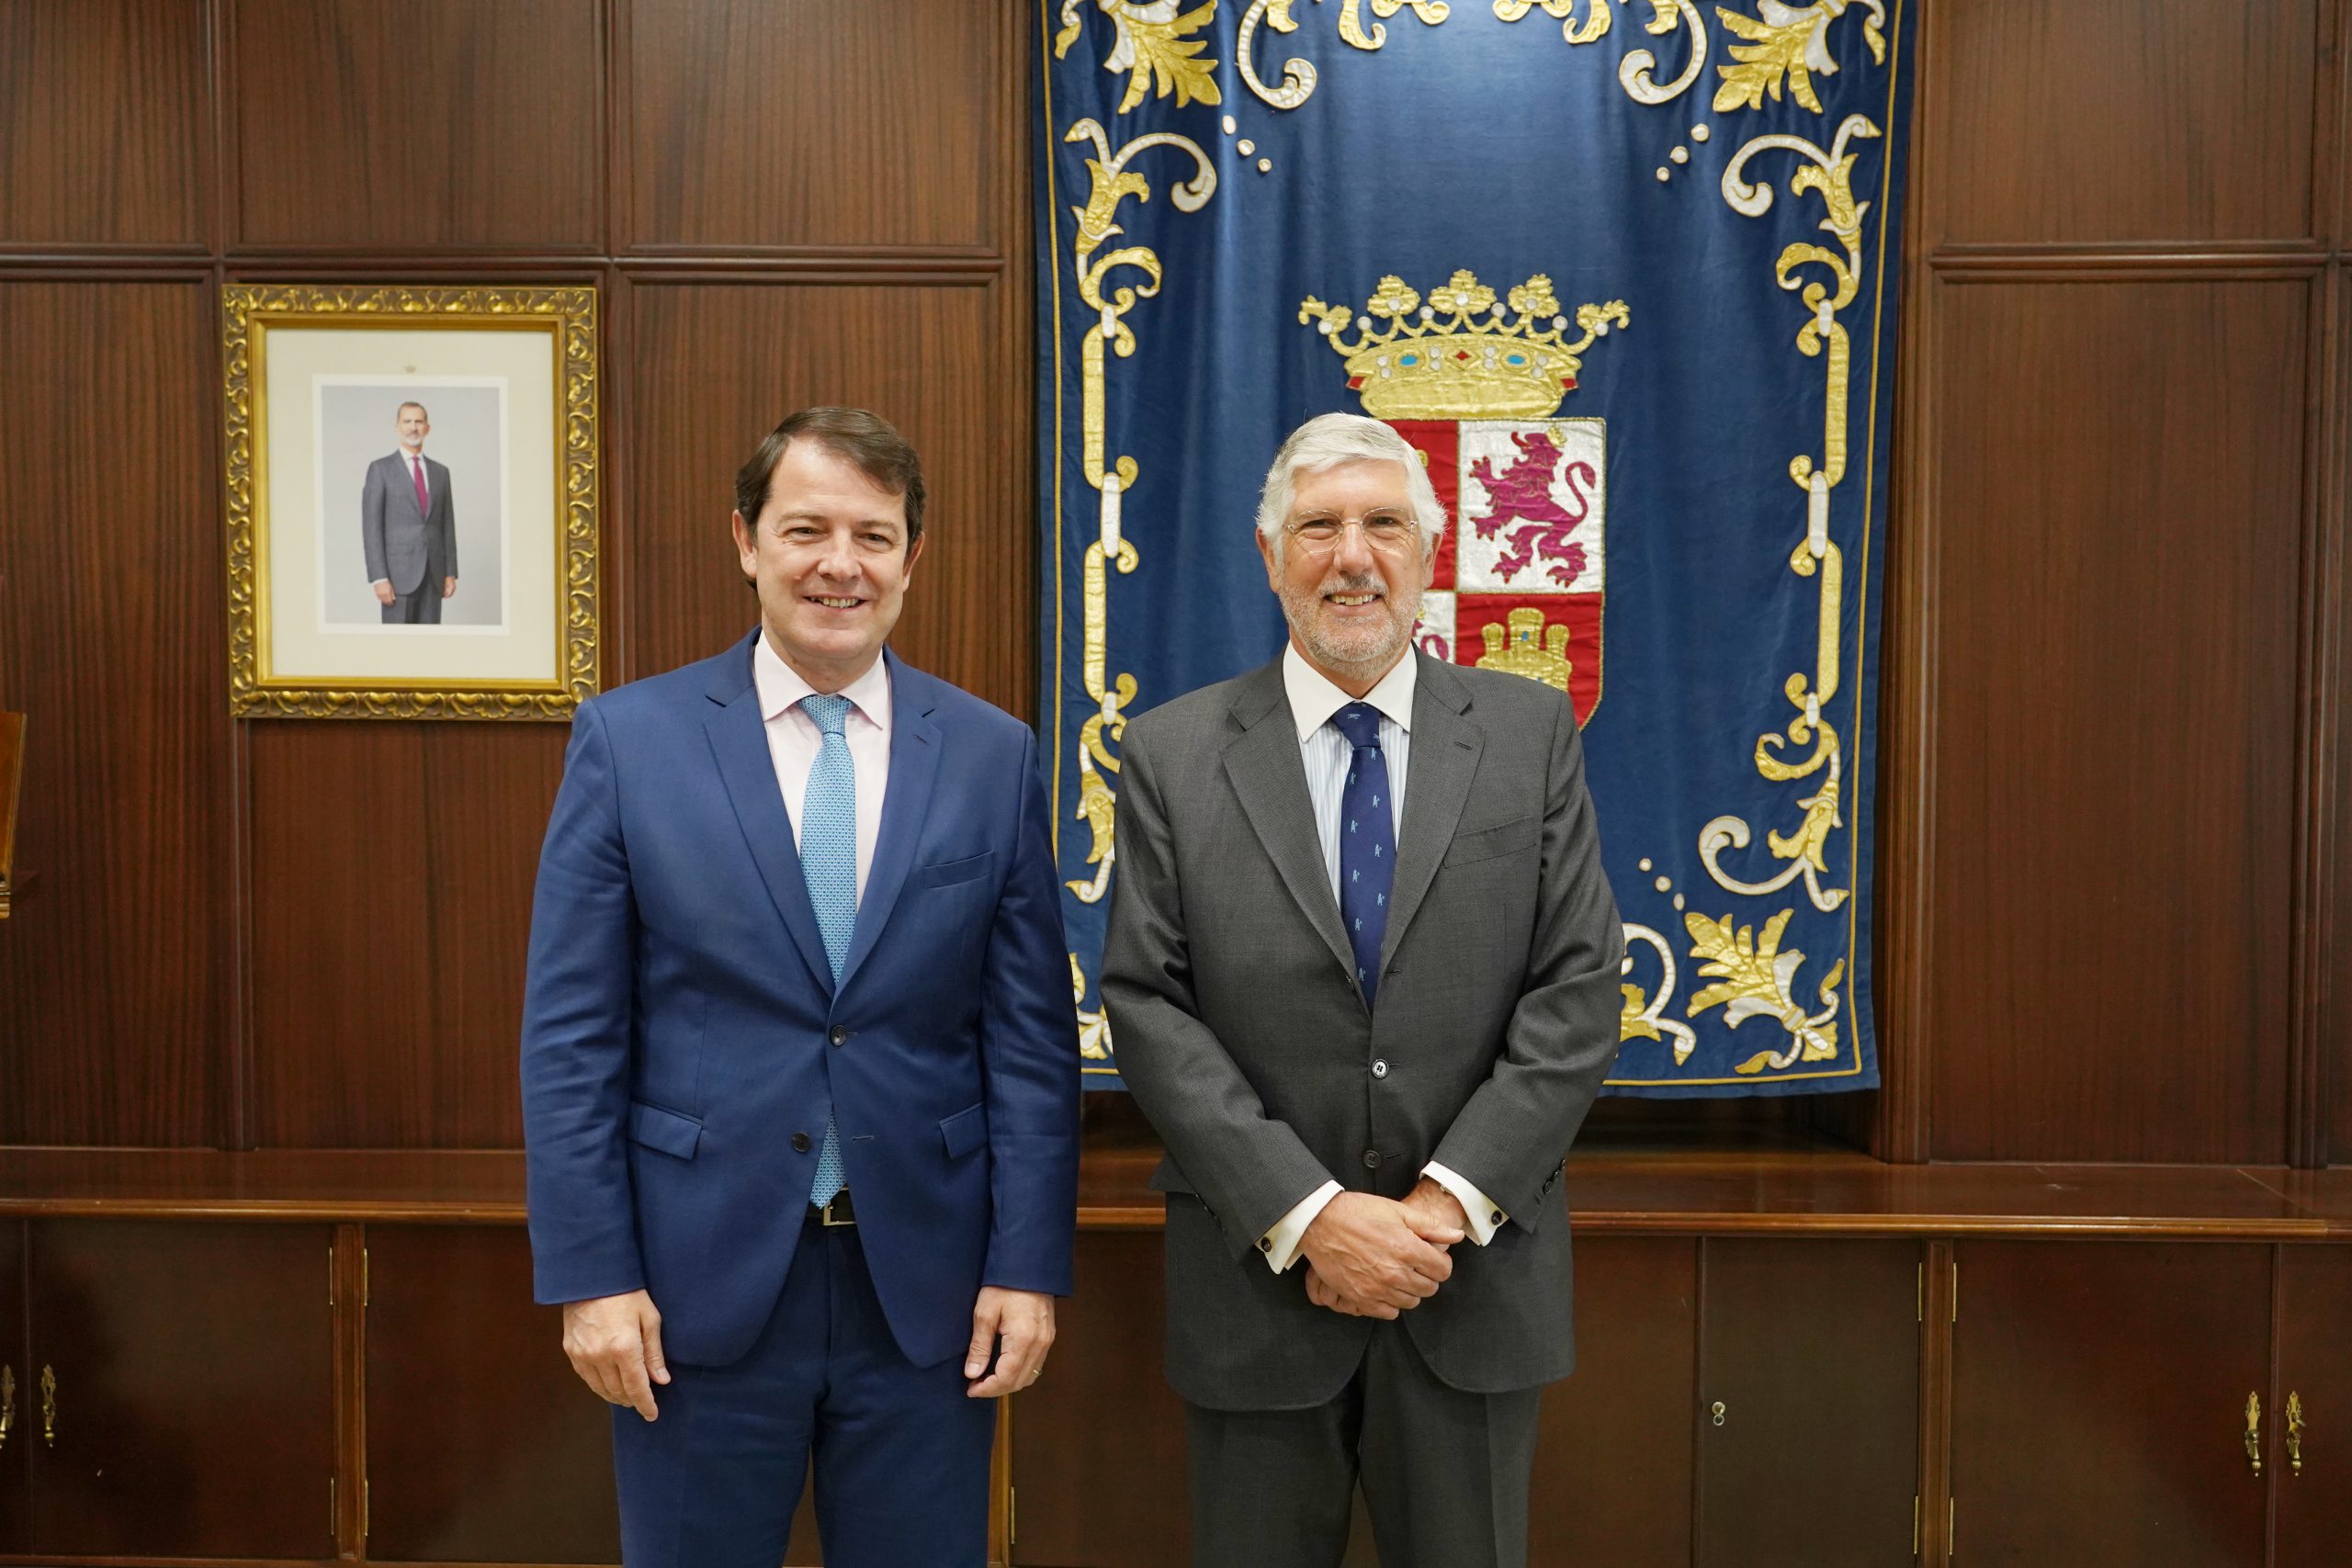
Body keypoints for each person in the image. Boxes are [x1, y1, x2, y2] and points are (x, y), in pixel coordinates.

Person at [520, 406, 1079, 1568]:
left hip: (923, 1295)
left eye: (874, 536)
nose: (840, 564)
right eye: (807, 529)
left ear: (912, 558)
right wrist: (592, 1277)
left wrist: (1027, 1265)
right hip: (689, 1292)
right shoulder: (631, 741)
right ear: (747, 541)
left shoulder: (991, 754)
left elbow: (1027, 1041)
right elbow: (572, 1038)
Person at [1102, 412, 1624, 1568]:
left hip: (1470, 1281)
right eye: (1319, 528)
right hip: (1258, 1284)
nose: (1353, 556)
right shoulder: (1173, 752)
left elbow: (1579, 989)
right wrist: (1315, 1217)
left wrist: (1436, 1212)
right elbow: (1146, 1003)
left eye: (1384, 524)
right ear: (1269, 555)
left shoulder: (1530, 732)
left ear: (1428, 555)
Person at [361, 400, 458, 623]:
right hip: (397, 577)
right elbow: (371, 528)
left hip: (434, 575)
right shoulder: (380, 470)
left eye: (418, 421)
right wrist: (379, 577)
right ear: (397, 427)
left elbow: (447, 525)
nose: (413, 427)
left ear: (427, 428)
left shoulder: (441, 473)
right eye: (407, 421)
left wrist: (449, 572)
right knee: (397, 649)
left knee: (429, 647)